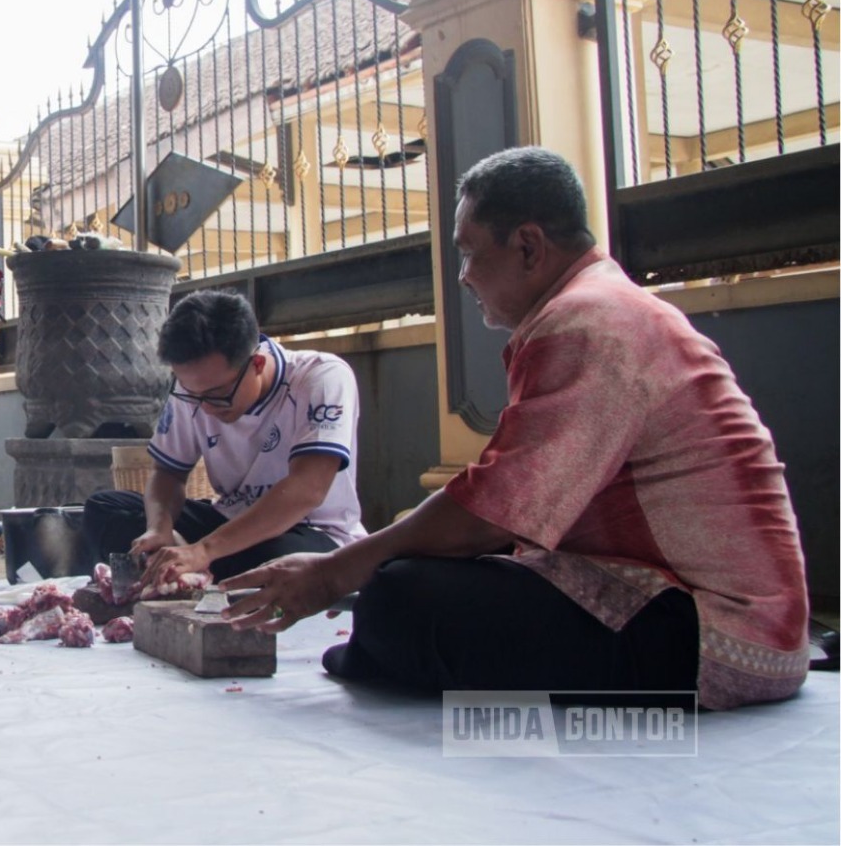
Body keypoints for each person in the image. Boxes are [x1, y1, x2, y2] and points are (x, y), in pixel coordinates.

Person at [225, 147, 810, 711]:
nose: (463, 277)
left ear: (528, 246)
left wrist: (335, 572)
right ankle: (386, 648)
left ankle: (386, 648)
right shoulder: (596, 307)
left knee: (403, 598)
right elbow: (497, 502)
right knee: (405, 574)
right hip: (671, 601)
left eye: (469, 252)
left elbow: (491, 515)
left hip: (717, 632)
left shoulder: (587, 323)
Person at [83, 290, 366, 586]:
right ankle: (188, 572)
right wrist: (159, 527)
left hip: (310, 531)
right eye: (193, 395)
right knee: (105, 509)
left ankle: (190, 573)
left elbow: (308, 489)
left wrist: (203, 550)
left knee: (277, 559)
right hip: (227, 523)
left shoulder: (321, 376)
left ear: (257, 364)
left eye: (217, 395)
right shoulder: (194, 391)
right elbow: (168, 472)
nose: (205, 407)